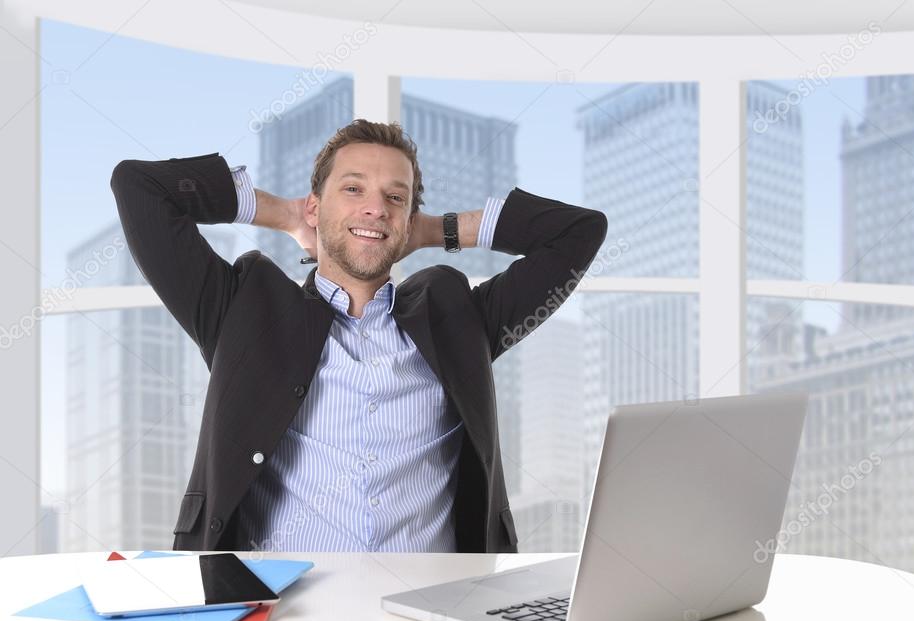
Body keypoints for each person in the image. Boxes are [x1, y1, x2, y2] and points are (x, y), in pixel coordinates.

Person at [109, 118, 607, 552]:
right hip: (283, 613)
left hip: (430, 611)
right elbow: (139, 187)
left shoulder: (459, 321)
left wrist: (436, 230)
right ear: (316, 207)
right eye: (353, 190)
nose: (376, 209)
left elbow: (579, 232)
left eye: (395, 197)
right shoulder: (240, 308)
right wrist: (284, 214)